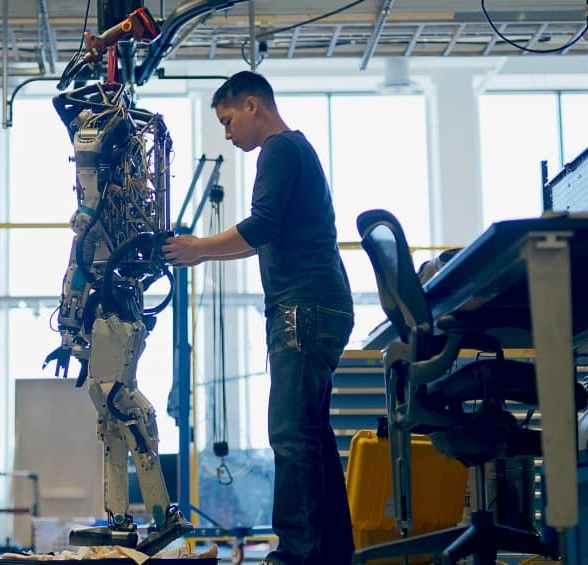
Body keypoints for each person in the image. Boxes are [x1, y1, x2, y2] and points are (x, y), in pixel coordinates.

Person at [162, 71, 355, 565]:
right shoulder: (295, 152)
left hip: (303, 309)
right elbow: (265, 237)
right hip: (318, 306)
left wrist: (198, 248)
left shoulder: (279, 150)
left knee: (290, 434)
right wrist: (201, 254)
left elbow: (261, 225)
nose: (227, 134)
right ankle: (330, 552)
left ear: (252, 105)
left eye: (228, 121)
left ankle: (295, 555)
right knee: (312, 434)